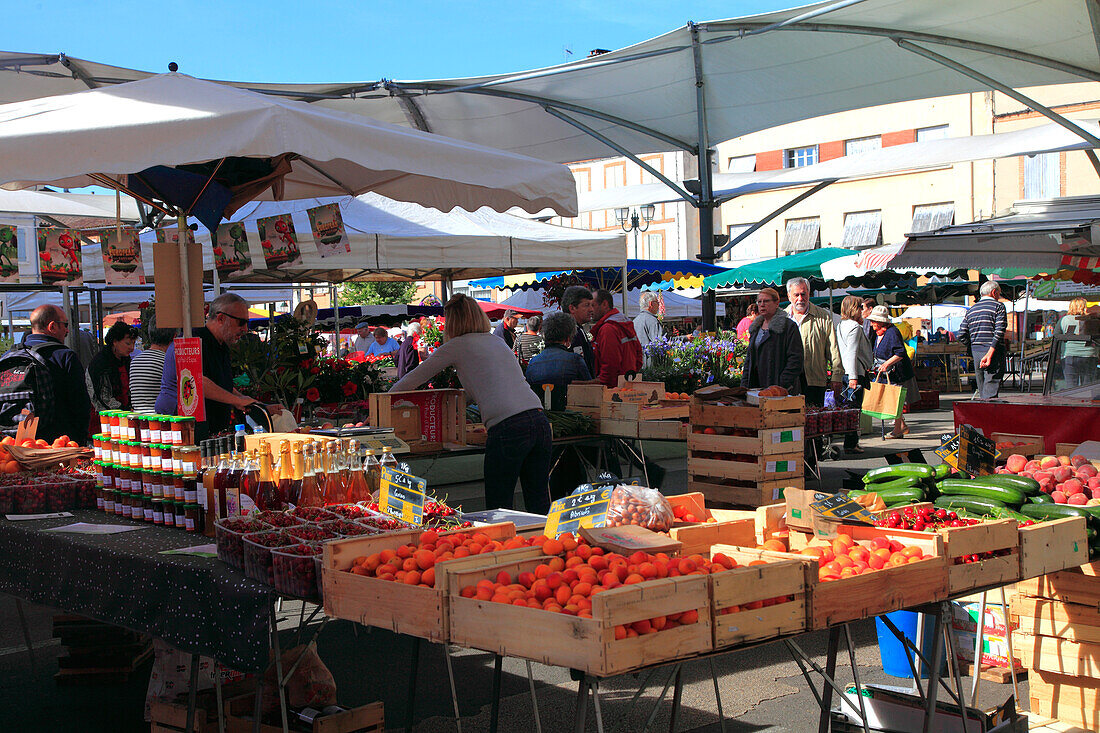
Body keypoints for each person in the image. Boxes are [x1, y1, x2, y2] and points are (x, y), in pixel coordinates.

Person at [390, 294, 552, 514]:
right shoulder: (496, 340)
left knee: (499, 507)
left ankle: (505, 547)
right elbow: (490, 385)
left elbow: (410, 380)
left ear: (452, 321)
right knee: (538, 502)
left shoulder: (457, 345)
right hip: (539, 419)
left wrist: (378, 406)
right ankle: (547, 546)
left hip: (508, 428)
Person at [154, 293, 267, 439]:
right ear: (221, 318)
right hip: (184, 429)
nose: (245, 329)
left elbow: (221, 384)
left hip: (208, 429)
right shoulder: (192, 340)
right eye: (241, 322)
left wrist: (252, 403)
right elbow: (197, 381)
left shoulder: (221, 344)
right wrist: (238, 400)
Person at [2, 305, 91, 444]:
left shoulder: (8, 356)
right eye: (65, 324)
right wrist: (80, 439)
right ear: (52, 326)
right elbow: (80, 405)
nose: (67, 330)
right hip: (56, 445)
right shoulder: (65, 356)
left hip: (14, 443)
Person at [785, 277, 843, 406]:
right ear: (789, 296)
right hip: (788, 382)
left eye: (803, 294)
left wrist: (837, 376)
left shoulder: (823, 316)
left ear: (809, 294)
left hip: (814, 381)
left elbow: (833, 349)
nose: (800, 299)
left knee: (813, 421)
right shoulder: (782, 318)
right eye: (796, 295)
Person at [867, 305, 918, 438]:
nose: (871, 323)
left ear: (881, 322)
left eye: (874, 321)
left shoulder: (892, 332)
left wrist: (886, 363)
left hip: (897, 372)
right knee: (893, 401)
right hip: (887, 371)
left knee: (895, 401)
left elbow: (900, 352)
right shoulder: (878, 333)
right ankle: (900, 426)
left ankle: (897, 430)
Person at [742, 288, 803, 392]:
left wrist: (781, 384)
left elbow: (796, 359)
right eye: (759, 301)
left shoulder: (788, 327)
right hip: (756, 387)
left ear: (776, 303)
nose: (762, 305)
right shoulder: (755, 328)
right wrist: (744, 385)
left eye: (766, 301)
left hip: (781, 389)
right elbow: (749, 359)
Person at [956, 281, 1007, 399]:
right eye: (999, 293)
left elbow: (961, 334)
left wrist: (972, 346)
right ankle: (989, 415)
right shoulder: (998, 306)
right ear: (994, 292)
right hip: (993, 352)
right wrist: (990, 352)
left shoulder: (971, 310)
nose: (999, 296)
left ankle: (983, 412)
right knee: (991, 387)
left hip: (977, 352)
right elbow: (999, 331)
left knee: (982, 387)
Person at [837, 296, 873, 454]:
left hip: (846, 371)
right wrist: (853, 377)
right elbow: (851, 352)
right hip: (854, 372)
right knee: (854, 410)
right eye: (860, 307)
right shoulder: (854, 327)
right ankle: (851, 443)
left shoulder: (841, 325)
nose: (862, 311)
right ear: (854, 309)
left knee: (849, 409)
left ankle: (851, 442)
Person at [590, 288, 643, 388]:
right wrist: (630, 375)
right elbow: (639, 355)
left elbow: (610, 365)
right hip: (627, 386)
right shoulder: (624, 323)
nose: (591, 310)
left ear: (605, 304)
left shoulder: (608, 329)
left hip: (612, 390)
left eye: (593, 305)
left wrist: (603, 384)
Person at [86, 321, 138, 413]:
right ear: (115, 342)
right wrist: (126, 410)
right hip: (104, 415)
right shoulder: (101, 363)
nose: (132, 348)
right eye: (128, 343)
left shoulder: (126, 360)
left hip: (122, 414)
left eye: (134, 343)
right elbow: (104, 397)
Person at [129, 321, 177, 413]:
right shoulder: (167, 361)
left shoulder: (135, 361)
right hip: (159, 421)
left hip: (138, 420)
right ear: (174, 337)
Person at [1059, 297, 1099, 387]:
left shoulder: (1064, 320)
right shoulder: (1092, 320)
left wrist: (1058, 355)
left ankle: (1072, 401)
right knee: (1087, 387)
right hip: (1089, 355)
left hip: (1070, 355)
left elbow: (1056, 336)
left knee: (1071, 387)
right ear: (1084, 307)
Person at [561, 285, 597, 375]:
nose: (591, 309)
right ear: (572, 308)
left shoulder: (577, 329)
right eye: (586, 305)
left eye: (592, 305)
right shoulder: (571, 332)